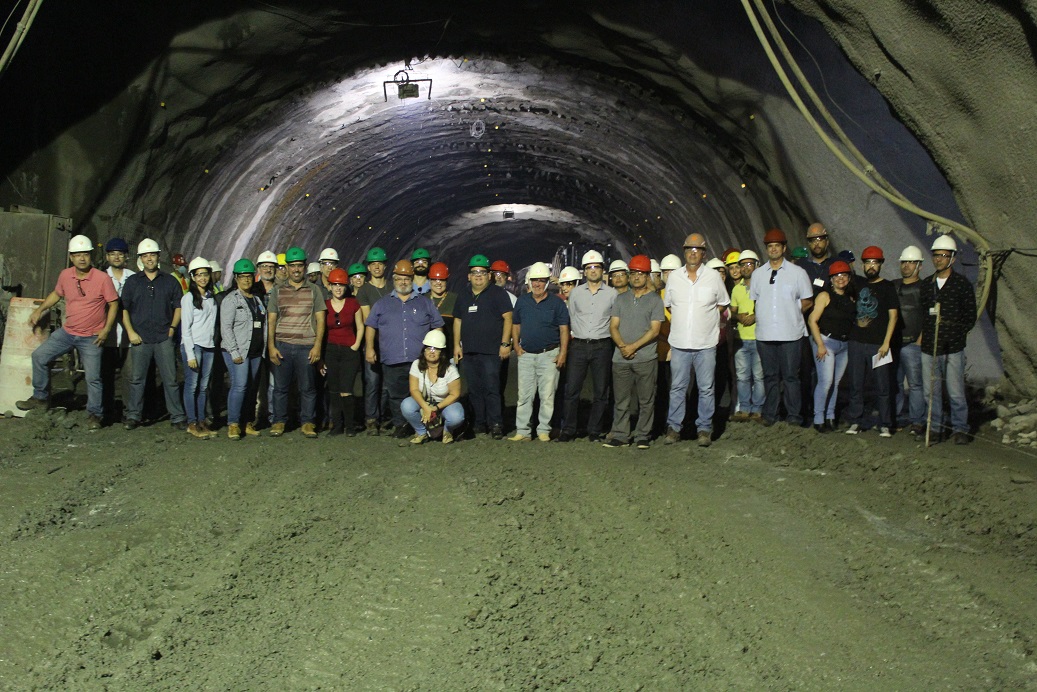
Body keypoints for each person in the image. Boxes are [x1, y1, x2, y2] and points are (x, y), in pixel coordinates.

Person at [17, 234, 118, 430]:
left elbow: (113, 304)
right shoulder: (65, 275)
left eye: (85, 254)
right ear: (71, 257)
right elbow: (57, 293)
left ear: (91, 256)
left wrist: (106, 330)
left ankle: (95, 415)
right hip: (68, 332)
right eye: (77, 255)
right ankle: (40, 398)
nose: (82, 258)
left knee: (93, 377)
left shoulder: (102, 279)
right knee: (39, 356)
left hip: (92, 337)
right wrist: (40, 310)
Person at [663, 234, 730, 446]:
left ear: (703, 253)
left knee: (706, 388)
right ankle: (674, 428)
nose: (692, 253)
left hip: (705, 344)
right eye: (689, 249)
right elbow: (669, 305)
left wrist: (705, 319)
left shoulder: (713, 277)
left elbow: (722, 303)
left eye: (696, 250)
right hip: (680, 343)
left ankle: (704, 429)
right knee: (677, 387)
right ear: (684, 252)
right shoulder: (675, 277)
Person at [366, 259, 444, 437]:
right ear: (394, 279)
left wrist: (436, 349)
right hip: (392, 359)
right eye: (399, 278)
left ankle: (426, 425)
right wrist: (370, 348)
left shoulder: (424, 303)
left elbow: (438, 325)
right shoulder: (382, 304)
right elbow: (371, 326)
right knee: (396, 396)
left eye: (407, 278)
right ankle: (401, 425)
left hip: (420, 360)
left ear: (412, 280)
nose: (403, 282)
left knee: (424, 394)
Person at [121, 238, 188, 430]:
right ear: (140, 259)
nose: (149, 258)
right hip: (140, 339)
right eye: (145, 256)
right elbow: (124, 309)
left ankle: (177, 417)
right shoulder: (132, 282)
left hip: (163, 338)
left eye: (152, 255)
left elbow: (178, 306)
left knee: (170, 379)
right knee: (137, 379)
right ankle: (134, 415)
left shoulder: (170, 281)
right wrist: (131, 332)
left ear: (158, 257)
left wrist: (172, 328)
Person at [749, 228, 814, 427]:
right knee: (770, 376)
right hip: (765, 335)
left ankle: (794, 416)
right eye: (770, 246)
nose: (774, 249)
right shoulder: (758, 275)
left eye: (777, 245)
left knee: (791, 376)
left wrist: (790, 314)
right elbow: (756, 301)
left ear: (784, 248)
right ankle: (771, 414)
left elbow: (807, 300)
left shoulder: (797, 273)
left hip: (790, 334)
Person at [920, 235, 976, 444]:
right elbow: (922, 313)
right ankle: (935, 427)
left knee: (955, 391)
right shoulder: (927, 285)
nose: (938, 259)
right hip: (930, 347)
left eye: (943, 255)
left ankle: (960, 428)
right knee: (930, 392)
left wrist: (955, 333)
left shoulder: (962, 285)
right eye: (936, 255)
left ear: (952, 258)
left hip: (953, 347)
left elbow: (970, 316)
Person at [604, 254, 664, 448]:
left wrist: (633, 347)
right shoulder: (621, 299)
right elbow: (613, 326)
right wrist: (623, 346)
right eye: (634, 273)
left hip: (645, 358)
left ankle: (642, 435)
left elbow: (655, 330)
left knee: (646, 400)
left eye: (641, 273)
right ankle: (621, 434)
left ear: (647, 276)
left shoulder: (655, 300)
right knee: (621, 400)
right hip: (621, 358)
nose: (636, 277)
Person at [267, 246, 326, 438]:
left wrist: (317, 346)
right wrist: (271, 346)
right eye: (292, 266)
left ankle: (307, 422)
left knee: (308, 388)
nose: (296, 269)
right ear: (287, 268)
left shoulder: (314, 290)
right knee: (280, 388)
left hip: (306, 347)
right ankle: (279, 421)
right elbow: (272, 320)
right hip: (282, 346)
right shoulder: (277, 291)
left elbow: (321, 319)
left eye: (299, 265)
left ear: (305, 267)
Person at [559, 249, 617, 442]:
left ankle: (594, 430)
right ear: (584, 271)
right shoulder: (575, 293)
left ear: (602, 270)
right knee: (572, 390)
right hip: (579, 346)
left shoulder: (612, 294)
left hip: (602, 346)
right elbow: (572, 317)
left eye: (596, 267)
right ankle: (569, 429)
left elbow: (614, 320)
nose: (593, 270)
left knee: (601, 391)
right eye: (589, 267)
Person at [453, 254, 513, 439]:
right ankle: (479, 423)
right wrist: (456, 345)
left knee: (492, 389)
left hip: (491, 352)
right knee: (474, 390)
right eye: (474, 272)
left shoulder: (498, 294)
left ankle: (496, 424)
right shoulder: (463, 295)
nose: (478, 275)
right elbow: (457, 320)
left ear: (489, 275)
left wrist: (505, 343)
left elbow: (508, 318)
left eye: (482, 272)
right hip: (469, 351)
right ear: (468, 276)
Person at [509, 262, 570, 442]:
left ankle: (544, 430)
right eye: (534, 280)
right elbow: (516, 324)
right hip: (526, 355)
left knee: (547, 396)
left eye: (541, 280)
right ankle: (523, 431)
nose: (537, 284)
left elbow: (564, 329)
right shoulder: (522, 301)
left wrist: (563, 353)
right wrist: (516, 346)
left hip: (549, 355)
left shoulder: (556, 303)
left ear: (547, 282)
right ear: (529, 282)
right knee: (524, 396)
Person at [844, 246, 900, 437]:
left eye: (875, 262)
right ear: (863, 265)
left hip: (878, 344)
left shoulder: (888, 287)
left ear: (881, 264)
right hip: (857, 342)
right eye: (868, 262)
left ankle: (885, 423)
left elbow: (893, 316)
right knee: (856, 384)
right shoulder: (858, 283)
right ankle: (855, 420)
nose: (871, 266)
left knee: (883, 386)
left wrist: (886, 343)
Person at [807, 260, 857, 432]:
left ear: (849, 277)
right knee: (825, 382)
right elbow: (812, 320)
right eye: (837, 276)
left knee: (835, 383)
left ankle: (830, 417)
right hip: (826, 342)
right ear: (831, 279)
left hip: (844, 344)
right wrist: (820, 344)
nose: (840, 278)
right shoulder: (824, 296)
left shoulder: (850, 298)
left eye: (844, 275)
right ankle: (818, 418)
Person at [220, 259, 266, 440]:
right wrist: (234, 351)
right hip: (239, 351)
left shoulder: (257, 300)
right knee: (240, 386)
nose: (246, 280)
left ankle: (247, 422)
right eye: (242, 277)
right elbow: (226, 328)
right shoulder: (231, 300)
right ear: (236, 278)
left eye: (249, 276)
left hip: (255, 352)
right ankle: (233, 423)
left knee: (252, 388)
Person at [402, 330, 465, 444]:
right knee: (407, 405)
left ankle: (447, 431)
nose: (432, 352)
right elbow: (414, 389)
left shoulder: (450, 370)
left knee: (456, 416)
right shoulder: (416, 364)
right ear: (424, 350)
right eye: (429, 348)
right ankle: (421, 433)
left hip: (445, 404)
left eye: (436, 349)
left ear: (442, 352)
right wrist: (425, 407)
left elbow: (455, 394)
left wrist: (436, 408)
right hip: (424, 402)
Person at [356, 247, 394, 434]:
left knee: (387, 383)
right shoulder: (364, 290)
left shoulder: (392, 288)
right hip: (373, 342)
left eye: (380, 264)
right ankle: (371, 419)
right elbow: (368, 318)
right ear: (369, 268)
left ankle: (385, 418)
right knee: (372, 382)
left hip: (391, 343)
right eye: (373, 264)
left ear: (385, 266)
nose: (377, 267)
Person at [322, 267, 364, 436]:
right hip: (331, 350)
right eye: (335, 285)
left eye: (341, 285)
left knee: (346, 388)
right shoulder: (325, 306)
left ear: (346, 286)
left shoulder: (353, 304)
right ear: (330, 286)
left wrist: (356, 345)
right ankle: (337, 425)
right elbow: (321, 329)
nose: (338, 288)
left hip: (349, 351)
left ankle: (350, 426)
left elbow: (360, 326)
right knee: (333, 389)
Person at [181, 257, 219, 439]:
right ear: (193, 277)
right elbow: (185, 328)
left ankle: (202, 421)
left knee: (203, 386)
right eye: (199, 275)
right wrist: (190, 354)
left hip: (209, 345)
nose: (202, 278)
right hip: (194, 345)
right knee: (192, 385)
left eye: (205, 274)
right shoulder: (188, 298)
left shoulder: (211, 297)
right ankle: (192, 422)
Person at [100, 237, 135, 425]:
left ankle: (129, 412)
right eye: (112, 254)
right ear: (107, 256)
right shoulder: (101, 277)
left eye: (120, 254)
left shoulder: (134, 278)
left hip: (128, 337)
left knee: (129, 376)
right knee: (106, 376)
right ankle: (107, 411)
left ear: (126, 256)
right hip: (108, 336)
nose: (116, 257)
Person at [893, 245, 926, 436]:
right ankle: (895, 418)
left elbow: (929, 316)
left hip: (913, 344)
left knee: (915, 385)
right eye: (904, 262)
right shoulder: (893, 285)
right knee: (895, 383)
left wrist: (920, 340)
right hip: (895, 343)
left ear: (919, 266)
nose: (906, 265)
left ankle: (917, 421)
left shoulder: (924, 288)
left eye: (911, 262)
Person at [729, 250, 764, 421]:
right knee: (742, 377)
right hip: (741, 339)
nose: (745, 267)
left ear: (757, 265)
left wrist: (755, 316)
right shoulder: (737, 289)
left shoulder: (763, 286)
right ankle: (744, 409)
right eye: (743, 264)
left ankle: (757, 409)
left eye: (749, 264)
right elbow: (732, 312)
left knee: (759, 377)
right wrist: (739, 317)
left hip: (759, 338)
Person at [427, 262, 457, 354]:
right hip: (427, 353)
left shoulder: (455, 299)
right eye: (435, 279)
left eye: (442, 280)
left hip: (449, 351)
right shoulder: (422, 299)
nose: (438, 283)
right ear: (430, 280)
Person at [798, 222, 835, 291]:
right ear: (808, 243)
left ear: (827, 242)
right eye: (812, 240)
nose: (816, 244)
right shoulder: (800, 265)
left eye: (819, 239)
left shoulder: (837, 263)